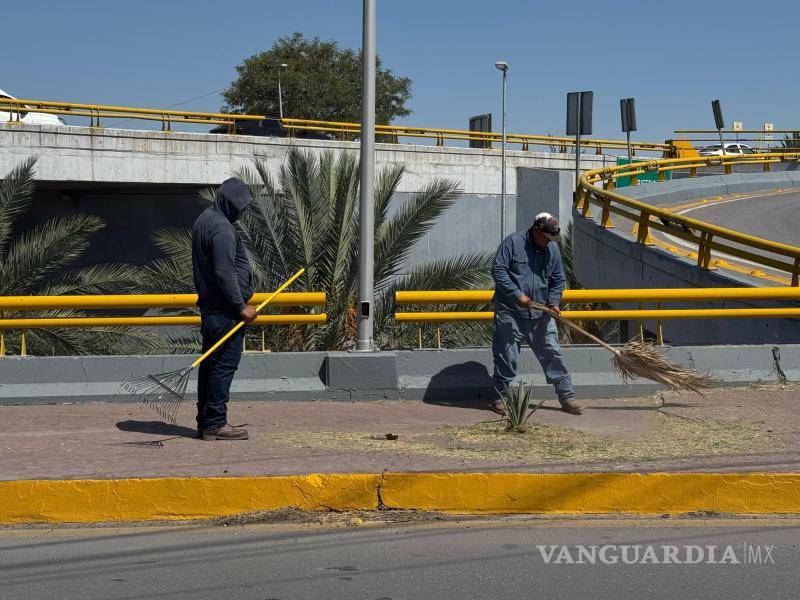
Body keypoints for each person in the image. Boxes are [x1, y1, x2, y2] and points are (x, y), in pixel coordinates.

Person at [490, 212, 582, 415]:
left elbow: (558, 280)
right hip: (510, 311)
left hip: (540, 313)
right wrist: (517, 295)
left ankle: (567, 396)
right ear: (536, 230)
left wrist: (554, 302)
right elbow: (498, 271)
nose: (549, 242)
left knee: (552, 353)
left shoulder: (553, 250)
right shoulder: (512, 243)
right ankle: (501, 397)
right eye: (546, 237)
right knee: (506, 355)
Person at [191, 178, 258, 440]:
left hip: (212, 308)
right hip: (225, 312)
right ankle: (216, 423)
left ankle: (205, 420)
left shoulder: (204, 220)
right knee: (223, 365)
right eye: (241, 207)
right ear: (230, 204)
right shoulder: (221, 229)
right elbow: (224, 271)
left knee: (210, 364)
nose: (243, 212)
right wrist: (241, 306)